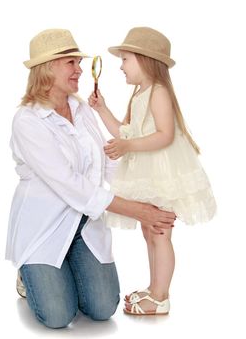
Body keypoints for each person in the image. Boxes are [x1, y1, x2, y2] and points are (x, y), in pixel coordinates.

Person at [5, 28, 176, 329]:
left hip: (84, 225)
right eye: (71, 62)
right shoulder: (28, 120)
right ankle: (29, 272)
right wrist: (137, 211)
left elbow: (106, 163)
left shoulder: (81, 109)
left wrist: (148, 203)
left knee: (103, 307)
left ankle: (61, 270)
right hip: (45, 228)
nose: (80, 69)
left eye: (79, 62)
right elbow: (71, 184)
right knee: (58, 316)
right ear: (48, 67)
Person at [88, 27, 217, 316]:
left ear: (144, 60)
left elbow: (165, 135)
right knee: (149, 231)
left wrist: (127, 145)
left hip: (161, 172)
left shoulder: (158, 92)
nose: (121, 66)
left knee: (159, 232)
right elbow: (124, 130)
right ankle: (154, 287)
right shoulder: (139, 94)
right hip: (146, 172)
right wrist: (102, 109)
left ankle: (161, 296)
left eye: (125, 59)